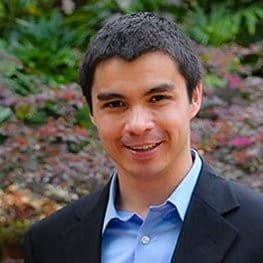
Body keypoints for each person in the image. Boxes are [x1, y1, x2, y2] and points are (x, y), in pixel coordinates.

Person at [24, 12, 263, 263]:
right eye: (116, 104)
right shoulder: (47, 243)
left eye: (157, 99)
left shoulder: (257, 229)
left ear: (195, 97)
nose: (138, 125)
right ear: (92, 112)